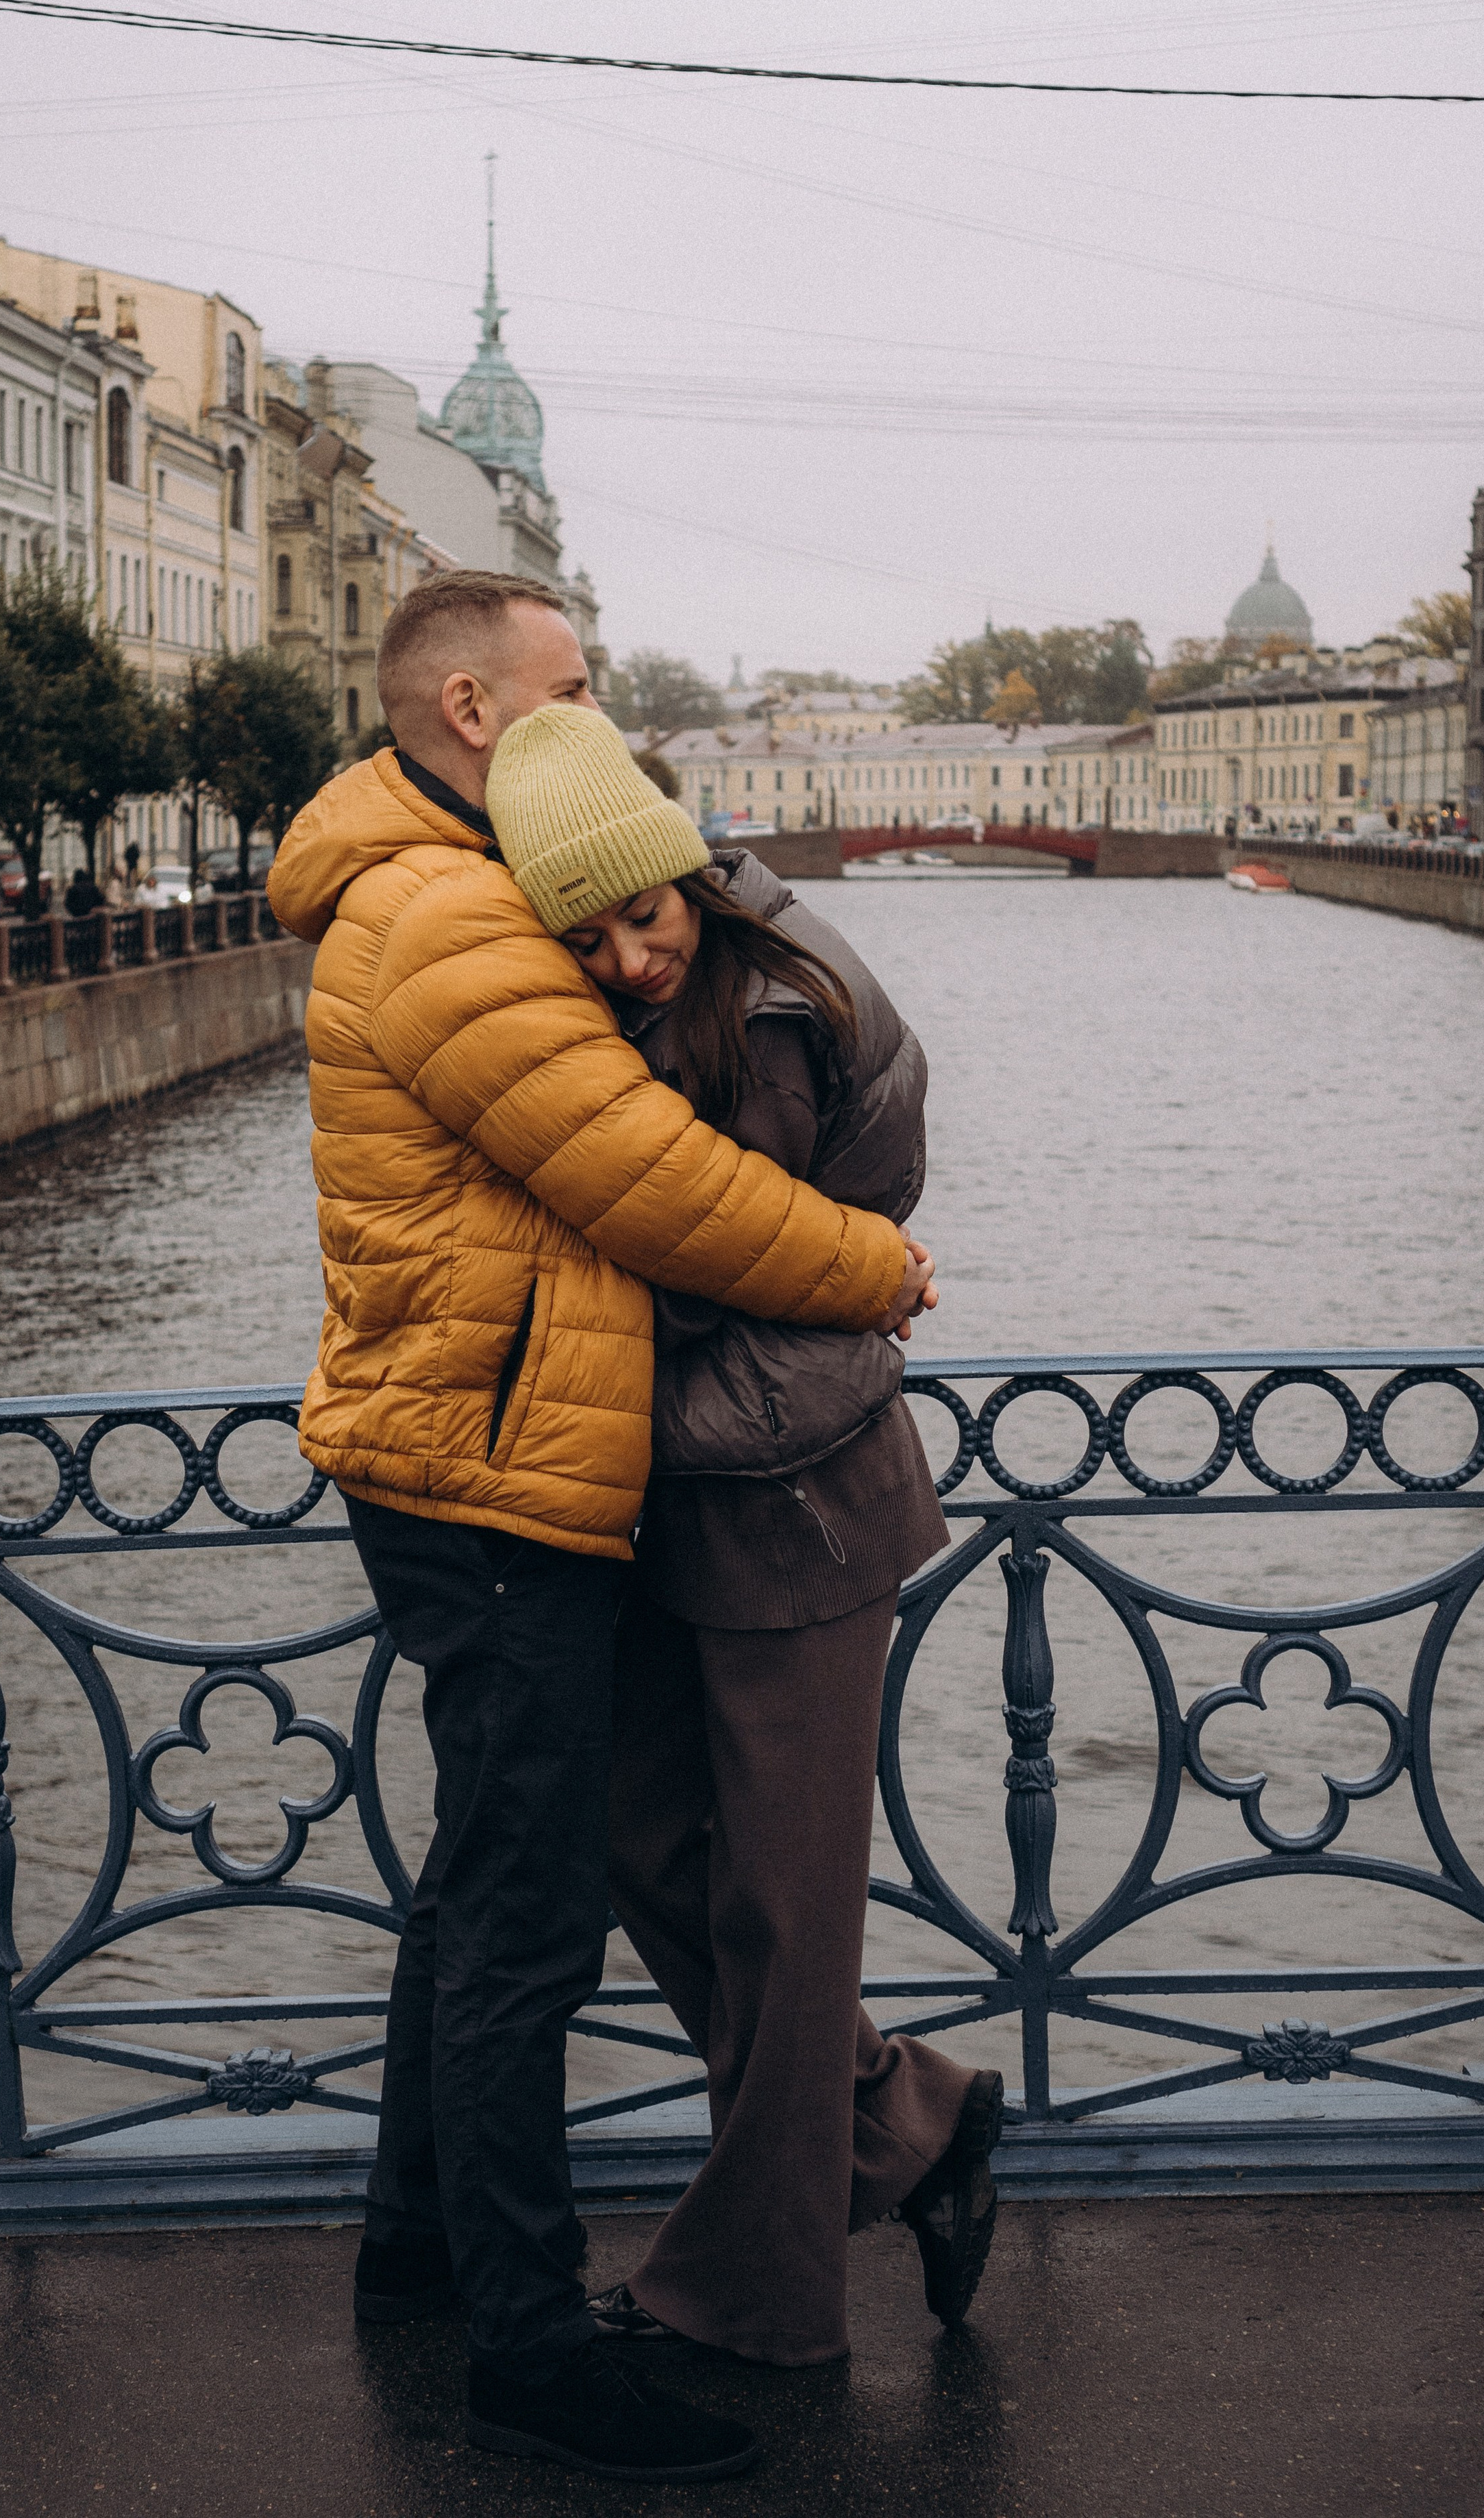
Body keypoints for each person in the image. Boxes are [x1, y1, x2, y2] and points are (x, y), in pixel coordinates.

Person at [267, 572, 932, 2484]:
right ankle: (532, 2347)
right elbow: (644, 1179)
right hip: (494, 1470)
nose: (598, 710)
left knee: (483, 1884)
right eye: (572, 686)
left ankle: (417, 2247)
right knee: (530, 1924)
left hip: (477, 1444)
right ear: (473, 706)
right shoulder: (447, 908)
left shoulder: (461, 879)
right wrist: (872, 1266)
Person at [487, 701, 1005, 2372]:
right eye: (584, 939)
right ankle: (906, 2123)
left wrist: (573, 1274)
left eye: (637, 917)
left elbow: (733, 1253)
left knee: (786, 1925)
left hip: (796, 1498)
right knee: (646, 1847)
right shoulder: (674, 1005)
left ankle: (755, 2304)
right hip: (676, 1485)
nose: (626, 960)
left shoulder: (764, 1016)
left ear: (684, 881)